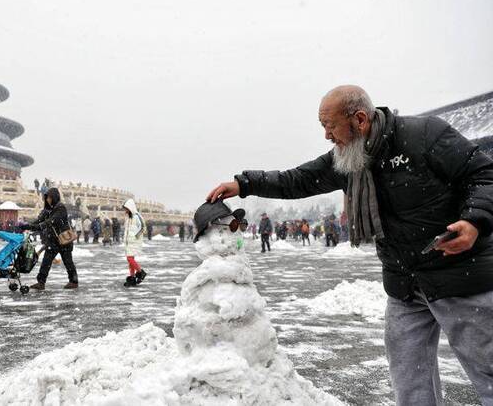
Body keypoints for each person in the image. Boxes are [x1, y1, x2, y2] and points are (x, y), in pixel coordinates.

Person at [207, 85, 493, 405]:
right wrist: (243, 184)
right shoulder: (348, 160)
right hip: (405, 286)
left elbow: (484, 174)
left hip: (459, 276)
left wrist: (475, 221)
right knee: (409, 377)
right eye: (323, 127)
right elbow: (296, 179)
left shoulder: (425, 136)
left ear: (359, 119)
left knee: (487, 369)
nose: (327, 136)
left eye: (330, 126)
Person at [21, 187, 78, 290]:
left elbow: (51, 221)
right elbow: (39, 220)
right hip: (53, 241)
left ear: (55, 197)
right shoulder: (47, 209)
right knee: (46, 262)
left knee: (68, 262)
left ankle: (73, 281)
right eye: (46, 198)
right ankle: (41, 282)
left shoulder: (60, 208)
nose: (48, 200)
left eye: (49, 198)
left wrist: (36, 227)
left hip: (64, 240)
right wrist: (27, 226)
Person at [122, 198, 147, 287]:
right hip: (128, 242)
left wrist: (135, 236)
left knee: (130, 259)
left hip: (134, 242)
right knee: (130, 261)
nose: (125, 210)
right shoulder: (128, 217)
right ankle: (132, 278)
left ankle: (140, 272)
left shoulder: (137, 216)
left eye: (126, 208)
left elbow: (143, 228)